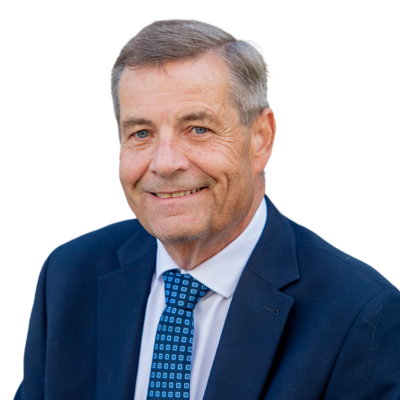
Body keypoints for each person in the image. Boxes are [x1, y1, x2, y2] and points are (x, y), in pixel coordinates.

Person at [15, 19, 400, 400]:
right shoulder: (69, 277)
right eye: (141, 133)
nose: (165, 163)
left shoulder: (360, 316)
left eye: (198, 129)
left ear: (260, 139)